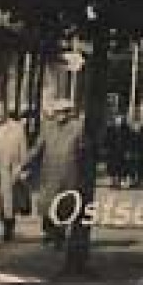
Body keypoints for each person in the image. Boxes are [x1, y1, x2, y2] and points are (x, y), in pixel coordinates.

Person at [31, 103, 86, 249]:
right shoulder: (47, 127)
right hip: (49, 173)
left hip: (69, 174)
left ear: (69, 113)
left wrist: (82, 172)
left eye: (64, 112)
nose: (60, 115)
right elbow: (37, 148)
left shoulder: (77, 128)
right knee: (47, 205)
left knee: (64, 206)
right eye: (58, 112)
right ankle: (48, 233)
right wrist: (23, 164)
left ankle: (59, 236)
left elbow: (83, 151)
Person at [0, 101, 29, 247]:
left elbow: (23, 151)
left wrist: (22, 169)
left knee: (9, 204)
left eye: (0, 112)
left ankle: (8, 234)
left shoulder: (17, 128)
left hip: (10, 171)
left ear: (6, 113)